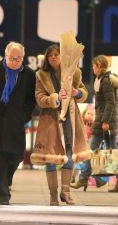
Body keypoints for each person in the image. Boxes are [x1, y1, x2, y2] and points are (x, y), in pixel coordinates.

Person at [35, 44, 90, 205]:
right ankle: (53, 195)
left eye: (56, 54)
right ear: (46, 58)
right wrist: (55, 98)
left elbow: (83, 92)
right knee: (52, 157)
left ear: (62, 56)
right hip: (50, 120)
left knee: (70, 152)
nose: (53, 57)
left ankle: (65, 192)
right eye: (50, 55)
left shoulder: (74, 73)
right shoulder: (41, 75)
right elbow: (39, 99)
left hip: (71, 119)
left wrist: (76, 93)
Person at [0, 41, 36, 205]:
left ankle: (7, 178)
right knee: (0, 157)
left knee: (18, 155)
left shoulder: (29, 74)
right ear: (5, 56)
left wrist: (24, 117)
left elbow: (30, 100)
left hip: (16, 121)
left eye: (19, 59)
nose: (15, 62)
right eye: (12, 58)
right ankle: (3, 194)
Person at [71, 55, 118, 192]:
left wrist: (105, 121)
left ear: (100, 66)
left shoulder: (106, 81)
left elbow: (110, 102)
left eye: (94, 66)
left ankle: (84, 178)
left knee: (90, 150)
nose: (93, 68)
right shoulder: (101, 79)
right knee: (109, 150)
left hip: (105, 121)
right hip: (104, 119)